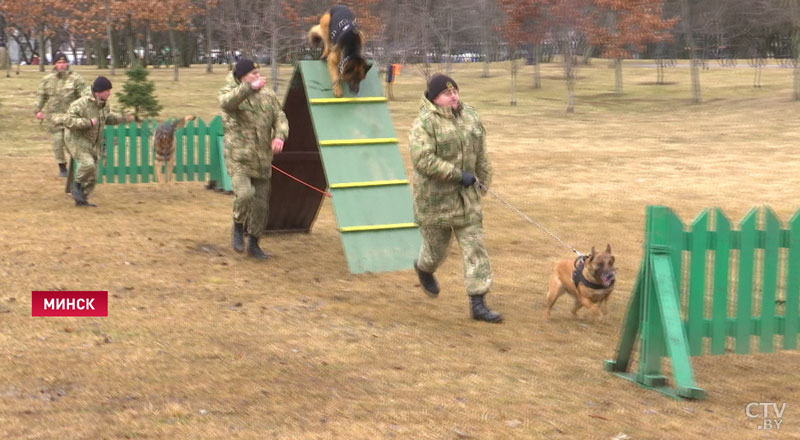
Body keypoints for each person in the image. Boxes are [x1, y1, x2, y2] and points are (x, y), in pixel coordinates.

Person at [409, 74, 501, 323]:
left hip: (466, 199)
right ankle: (423, 268)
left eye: (455, 92)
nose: (454, 96)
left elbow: (481, 151)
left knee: (475, 249)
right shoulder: (424, 124)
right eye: (447, 93)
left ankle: (478, 303)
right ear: (434, 98)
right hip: (434, 202)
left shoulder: (470, 115)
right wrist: (458, 175)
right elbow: (423, 160)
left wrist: (482, 181)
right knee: (435, 251)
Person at [218, 58, 289, 260]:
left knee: (260, 205)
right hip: (239, 157)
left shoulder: (267, 94)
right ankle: (238, 227)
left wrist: (279, 136)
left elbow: (280, 117)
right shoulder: (229, 93)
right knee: (244, 195)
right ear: (242, 77)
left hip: (262, 158)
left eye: (258, 73)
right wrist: (247, 89)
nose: (258, 76)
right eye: (253, 74)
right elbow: (227, 104)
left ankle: (254, 244)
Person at [62, 76, 133, 207]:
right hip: (76, 139)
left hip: (92, 142)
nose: (109, 93)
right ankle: (75, 186)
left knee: (93, 176)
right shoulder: (81, 104)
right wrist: (87, 122)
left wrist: (124, 118)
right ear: (98, 91)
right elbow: (67, 120)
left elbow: (108, 119)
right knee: (88, 164)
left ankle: (81, 199)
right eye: (107, 91)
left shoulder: (104, 105)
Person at [34, 51, 89, 177]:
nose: (62, 65)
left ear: (67, 63)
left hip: (72, 117)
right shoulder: (47, 80)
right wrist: (37, 110)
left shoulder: (76, 78)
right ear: (54, 64)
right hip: (54, 118)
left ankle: (79, 165)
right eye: (59, 62)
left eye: (64, 62)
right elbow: (41, 96)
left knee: (71, 142)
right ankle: (62, 168)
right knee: (58, 142)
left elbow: (84, 95)